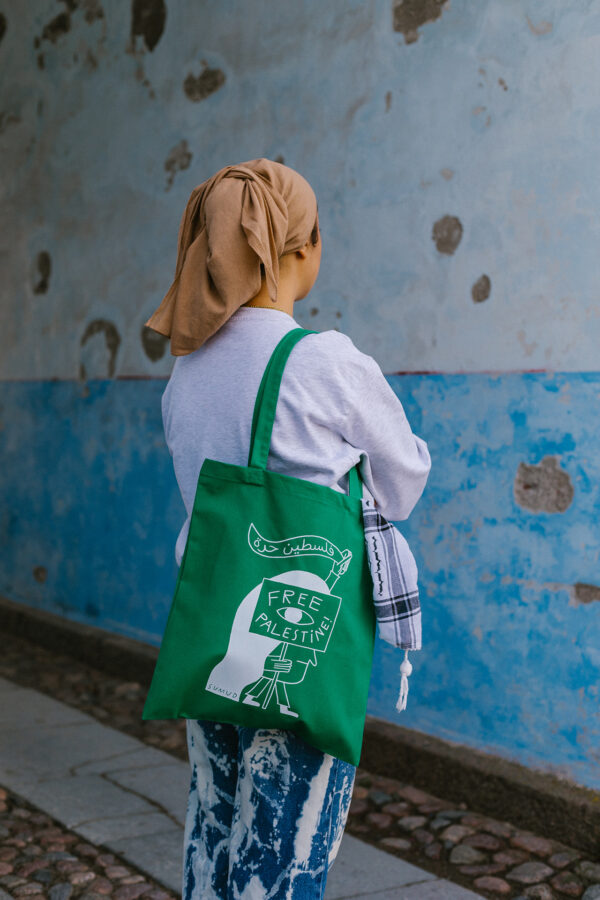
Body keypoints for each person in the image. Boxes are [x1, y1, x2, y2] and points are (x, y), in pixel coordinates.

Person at [144, 158, 431, 899]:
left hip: (212, 634)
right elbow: (404, 484)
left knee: (213, 822)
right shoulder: (326, 361)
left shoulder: (187, 372)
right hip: (302, 643)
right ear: (297, 249)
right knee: (287, 842)